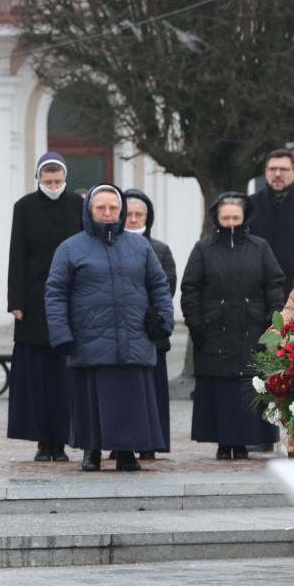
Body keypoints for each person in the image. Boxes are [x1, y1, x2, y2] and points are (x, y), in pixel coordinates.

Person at [45, 184, 174, 472]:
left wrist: (163, 318)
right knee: (91, 400)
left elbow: (158, 285)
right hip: (89, 339)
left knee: (130, 399)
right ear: (88, 210)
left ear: (121, 211)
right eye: (100, 207)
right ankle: (91, 450)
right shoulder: (70, 248)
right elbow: (55, 293)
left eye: (113, 208)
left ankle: (126, 451)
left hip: (134, 337)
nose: (107, 213)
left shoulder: (139, 246)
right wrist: (61, 334)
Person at [180, 192, 284, 460]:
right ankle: (224, 443)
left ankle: (249, 440)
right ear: (216, 217)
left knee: (249, 386)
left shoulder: (260, 247)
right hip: (214, 330)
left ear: (244, 217)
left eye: (235, 217)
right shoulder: (203, 248)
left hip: (254, 329)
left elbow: (274, 286)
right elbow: (190, 289)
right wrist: (196, 325)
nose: (230, 223)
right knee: (221, 391)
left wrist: (274, 324)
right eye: (225, 217)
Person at [6, 152, 83, 463]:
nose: (52, 185)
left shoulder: (80, 206)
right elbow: (17, 256)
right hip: (34, 304)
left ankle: (62, 441)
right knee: (36, 376)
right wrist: (16, 301)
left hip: (72, 301)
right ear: (38, 179)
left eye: (57, 180)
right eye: (47, 181)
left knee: (64, 376)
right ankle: (42, 441)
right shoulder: (24, 207)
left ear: (65, 178)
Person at [123, 189, 177, 460]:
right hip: (119, 335)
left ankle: (149, 443)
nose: (133, 219)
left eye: (139, 214)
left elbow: (164, 291)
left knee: (151, 394)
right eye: (129, 214)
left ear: (148, 217)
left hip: (151, 333)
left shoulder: (160, 250)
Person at [248, 149, 294, 289]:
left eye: (283, 169)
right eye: (273, 169)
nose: (277, 174)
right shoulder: (250, 206)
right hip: (258, 292)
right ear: (266, 173)